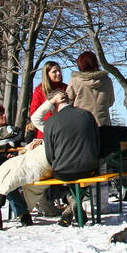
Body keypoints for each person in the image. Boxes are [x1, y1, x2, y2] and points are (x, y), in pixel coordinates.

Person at [41, 91, 101, 226]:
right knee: (79, 179)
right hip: (89, 168)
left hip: (63, 170)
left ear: (53, 105)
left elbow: (50, 155)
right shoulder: (87, 115)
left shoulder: (50, 122)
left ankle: (72, 201)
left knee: (59, 181)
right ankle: (73, 202)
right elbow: (97, 143)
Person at [66, 52, 115, 125]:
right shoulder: (107, 81)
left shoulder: (75, 81)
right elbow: (110, 101)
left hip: (81, 123)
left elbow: (68, 102)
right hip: (103, 123)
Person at [29, 60, 67, 134]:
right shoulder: (39, 90)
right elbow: (33, 113)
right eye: (54, 72)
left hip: (63, 131)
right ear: (47, 74)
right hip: (45, 132)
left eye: (59, 71)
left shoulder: (65, 88)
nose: (58, 73)